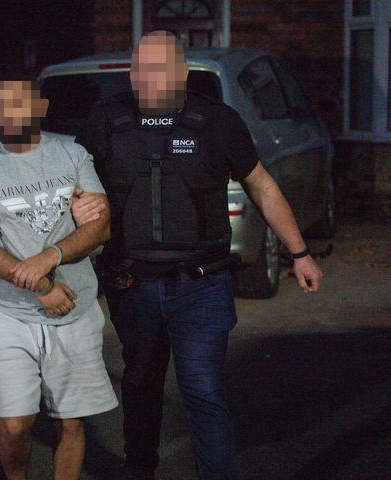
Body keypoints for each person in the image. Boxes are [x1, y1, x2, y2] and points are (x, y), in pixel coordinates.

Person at [73, 31, 324, 479]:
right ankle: (141, 467)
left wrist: (299, 251)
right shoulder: (104, 121)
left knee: (203, 389)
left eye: (158, 68)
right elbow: (73, 186)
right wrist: (78, 206)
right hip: (132, 282)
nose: (146, 78)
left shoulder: (217, 122)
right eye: (139, 68)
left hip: (201, 284)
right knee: (140, 383)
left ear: (181, 73)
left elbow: (261, 185)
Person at [0, 79, 118, 480]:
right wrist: (42, 285)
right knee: (15, 423)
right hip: (8, 313)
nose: (8, 113)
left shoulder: (72, 154)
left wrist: (51, 256)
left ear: (40, 107)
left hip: (75, 310)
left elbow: (100, 228)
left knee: (71, 421)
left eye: (18, 103)